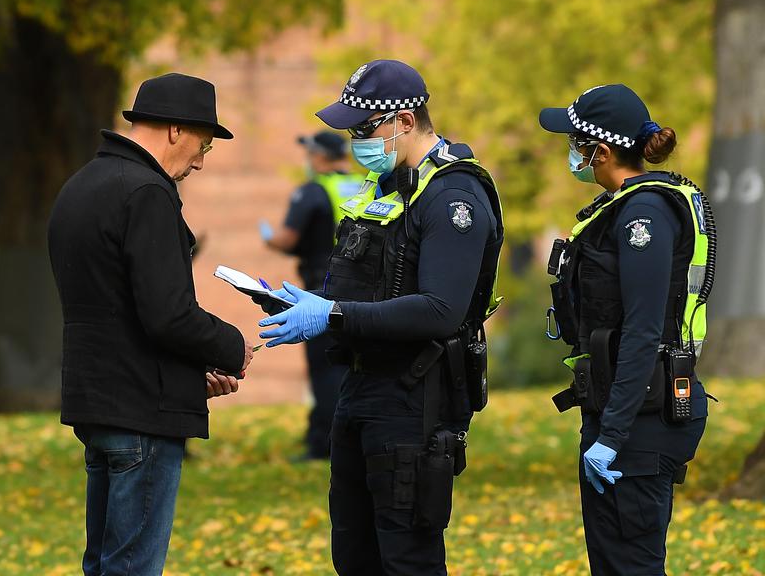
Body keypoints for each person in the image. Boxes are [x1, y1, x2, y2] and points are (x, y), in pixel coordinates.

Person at [257, 59, 504, 575]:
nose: (355, 143)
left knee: (405, 560)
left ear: (407, 121)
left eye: (365, 129)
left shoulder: (453, 197)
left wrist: (333, 315)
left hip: (414, 401)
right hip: (361, 388)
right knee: (354, 555)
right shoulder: (391, 187)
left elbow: (440, 310)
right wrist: (308, 305)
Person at [49, 72, 254, 576]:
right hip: (141, 415)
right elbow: (167, 315)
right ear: (175, 131)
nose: (200, 162)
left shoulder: (81, 186)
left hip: (97, 403)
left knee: (102, 564)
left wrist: (187, 379)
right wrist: (233, 345)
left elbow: (116, 313)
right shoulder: (147, 192)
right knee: (133, 568)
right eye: (203, 146)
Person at [539, 84, 712, 574]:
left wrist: (612, 436)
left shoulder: (644, 214)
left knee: (630, 565)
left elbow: (643, 330)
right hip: (626, 409)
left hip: (641, 421)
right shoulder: (622, 206)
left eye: (575, 142)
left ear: (603, 151)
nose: (570, 153)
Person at [260, 130, 365, 461]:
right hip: (360, 291)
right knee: (353, 366)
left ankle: (324, 443)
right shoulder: (365, 187)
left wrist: (268, 237)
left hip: (320, 289)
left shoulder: (312, 191)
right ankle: (350, 437)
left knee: (324, 368)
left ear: (319, 157)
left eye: (310, 154)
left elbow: (288, 240)